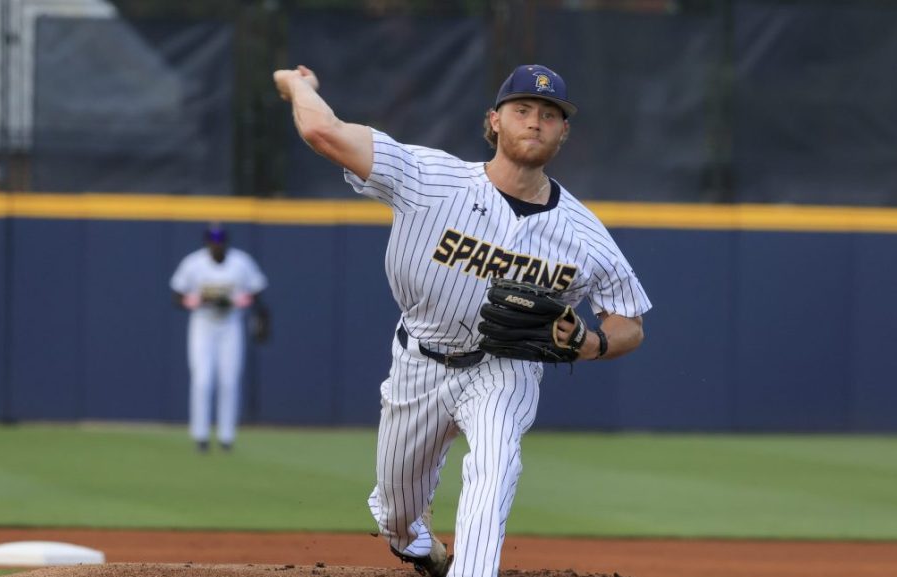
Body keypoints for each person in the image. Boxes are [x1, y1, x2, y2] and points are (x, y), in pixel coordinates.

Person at [273, 63, 651, 577]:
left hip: (506, 367)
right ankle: (417, 543)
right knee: (396, 514)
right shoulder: (430, 178)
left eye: (549, 114)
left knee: (495, 468)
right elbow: (322, 131)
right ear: (494, 121)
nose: (535, 122)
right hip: (420, 359)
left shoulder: (584, 234)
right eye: (522, 110)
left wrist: (589, 342)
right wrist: (299, 86)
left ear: (564, 132)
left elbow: (628, 321)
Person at [170, 223, 268, 453]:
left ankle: (226, 436)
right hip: (203, 324)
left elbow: (257, 290)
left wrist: (239, 301)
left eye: (220, 242)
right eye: (213, 243)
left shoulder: (240, 262)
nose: (217, 247)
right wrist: (197, 301)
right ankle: (201, 436)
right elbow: (177, 295)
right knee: (203, 380)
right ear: (207, 244)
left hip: (230, 323)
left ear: (226, 243)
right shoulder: (194, 264)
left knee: (229, 381)